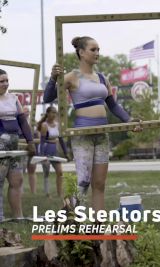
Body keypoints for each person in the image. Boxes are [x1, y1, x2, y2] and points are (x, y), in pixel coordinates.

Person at [44, 36, 141, 210]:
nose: (97, 53)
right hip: (83, 134)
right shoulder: (72, 76)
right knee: (82, 182)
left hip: (102, 134)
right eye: (93, 49)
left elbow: (113, 105)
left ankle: (99, 227)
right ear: (81, 52)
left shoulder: (103, 78)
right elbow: (47, 97)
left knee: (99, 184)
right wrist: (53, 78)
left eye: (98, 49)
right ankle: (67, 222)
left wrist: (128, 120)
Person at [0, 69, 36, 220]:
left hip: (14, 146)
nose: (5, 84)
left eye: (7, 80)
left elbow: (22, 121)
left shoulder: (14, 98)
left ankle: (18, 217)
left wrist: (30, 141)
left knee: (17, 180)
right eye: (2, 81)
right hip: (0, 146)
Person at [37, 106, 69, 197]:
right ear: (48, 113)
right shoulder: (44, 125)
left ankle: (60, 193)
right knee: (46, 173)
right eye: (52, 112)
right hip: (46, 149)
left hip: (54, 150)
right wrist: (42, 155)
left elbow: (61, 140)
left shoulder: (58, 125)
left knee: (60, 172)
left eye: (55, 112)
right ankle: (47, 193)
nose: (54, 114)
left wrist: (66, 153)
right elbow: (42, 141)